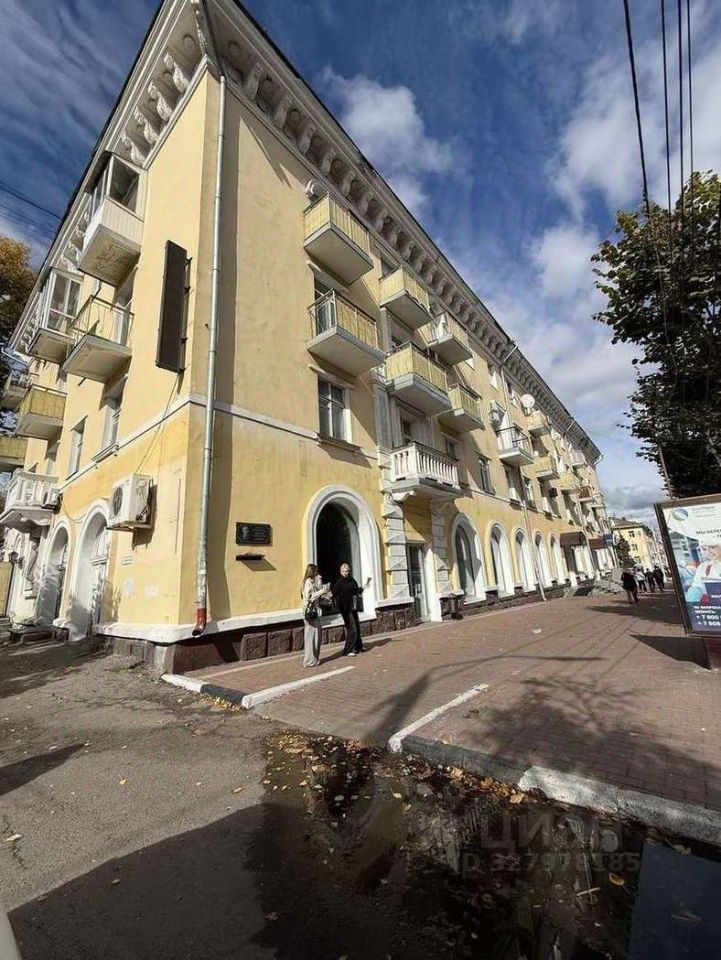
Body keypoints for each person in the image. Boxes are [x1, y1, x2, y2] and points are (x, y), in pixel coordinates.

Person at [331, 563, 370, 657]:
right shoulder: (339, 582)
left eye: (347, 571)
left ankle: (358, 646)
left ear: (349, 571)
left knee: (357, 626)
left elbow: (355, 591)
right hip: (345, 609)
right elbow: (334, 593)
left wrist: (362, 588)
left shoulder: (352, 580)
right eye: (343, 571)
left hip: (353, 607)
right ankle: (348, 650)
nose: (345, 573)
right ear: (340, 572)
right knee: (352, 628)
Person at [301, 563, 329, 668]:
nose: (317, 573)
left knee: (316, 636)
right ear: (312, 572)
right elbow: (310, 597)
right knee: (310, 637)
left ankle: (314, 658)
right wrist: (322, 591)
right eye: (316, 571)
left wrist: (321, 584)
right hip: (310, 613)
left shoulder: (313, 581)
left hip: (314, 613)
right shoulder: (307, 582)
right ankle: (309, 661)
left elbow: (318, 595)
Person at [685, 539, 721, 604]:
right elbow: (696, 587)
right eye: (704, 549)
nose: (708, 552)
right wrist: (690, 604)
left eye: (712, 547)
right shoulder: (703, 567)